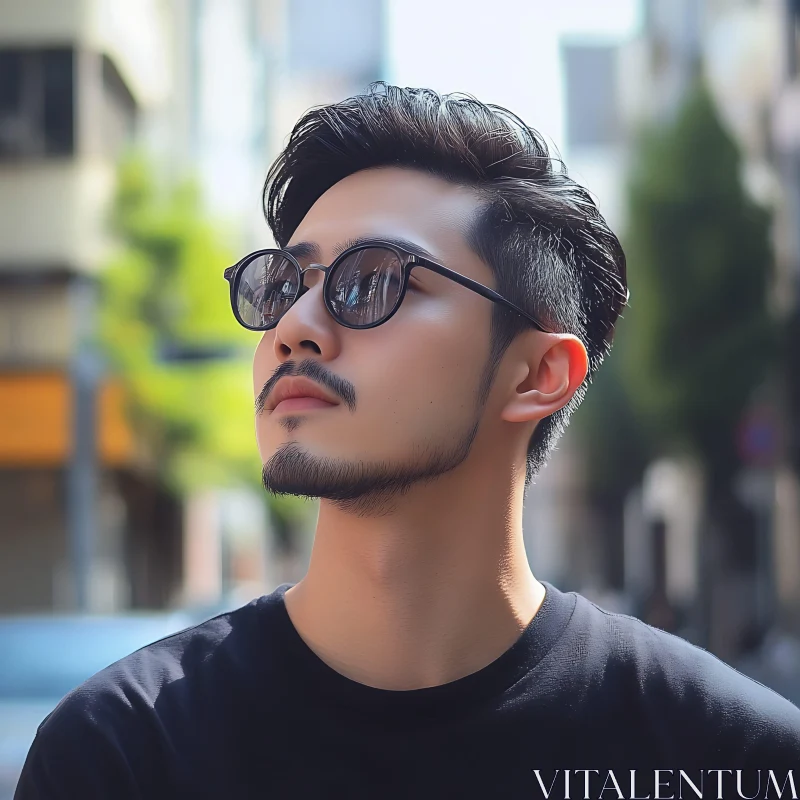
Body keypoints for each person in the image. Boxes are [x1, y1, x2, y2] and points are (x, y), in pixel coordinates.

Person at [16, 83, 800, 800]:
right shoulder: (122, 752)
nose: (294, 328)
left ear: (536, 375)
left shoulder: (728, 759)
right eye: (283, 286)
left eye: (371, 281)